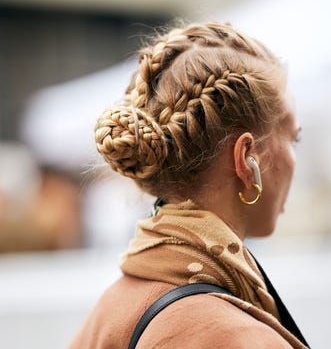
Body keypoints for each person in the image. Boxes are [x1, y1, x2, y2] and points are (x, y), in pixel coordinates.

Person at [70, 21, 308, 349]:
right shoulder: (232, 337)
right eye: (294, 139)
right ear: (246, 159)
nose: (294, 159)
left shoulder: (112, 307)